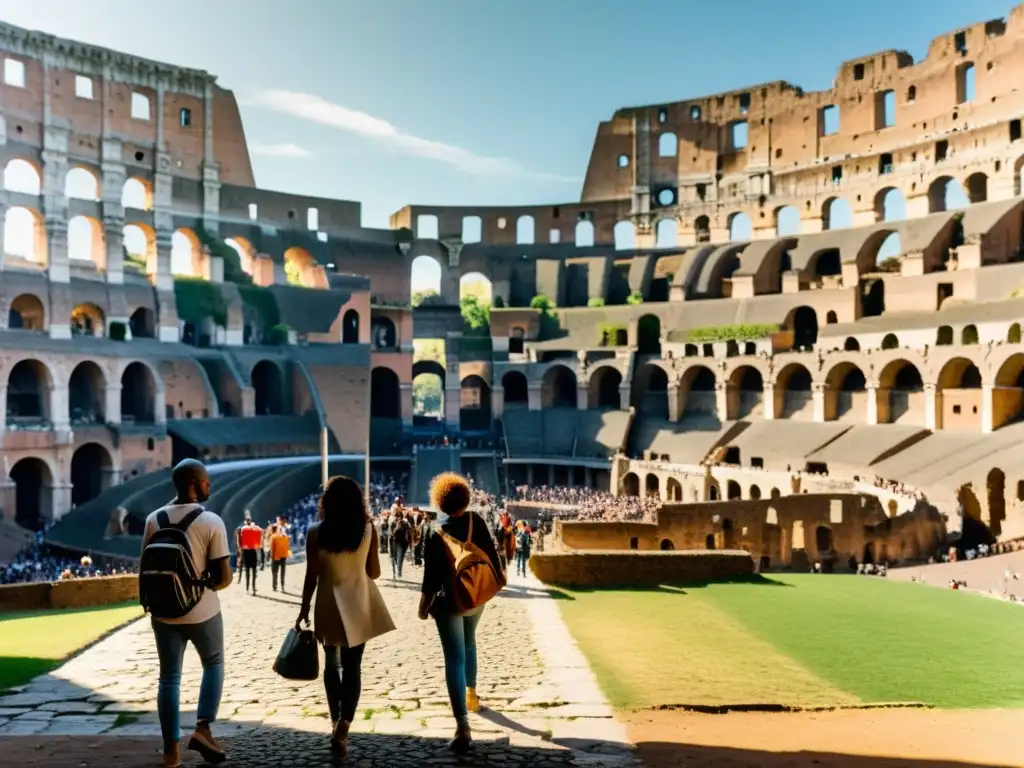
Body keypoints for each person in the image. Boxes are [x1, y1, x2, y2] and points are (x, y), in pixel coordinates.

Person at [142, 459, 232, 768]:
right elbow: (224, 578)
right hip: (202, 608)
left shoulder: (154, 518)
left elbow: (146, 564)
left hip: (163, 612)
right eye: (206, 481)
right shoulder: (211, 521)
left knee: (169, 678)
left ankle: (171, 753)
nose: (210, 486)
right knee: (213, 663)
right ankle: (203, 729)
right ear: (194, 483)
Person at [297, 476, 396, 757]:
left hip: (328, 602)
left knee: (331, 665)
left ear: (326, 502)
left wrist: (304, 608)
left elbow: (311, 575)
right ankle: (344, 727)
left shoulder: (315, 532)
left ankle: (334, 719)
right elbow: (374, 572)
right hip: (359, 602)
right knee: (354, 667)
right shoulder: (367, 529)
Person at [419, 472, 504, 754]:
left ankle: (463, 726)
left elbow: (430, 578)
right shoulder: (475, 521)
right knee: (470, 644)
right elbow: (493, 557)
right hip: (475, 596)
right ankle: (471, 695)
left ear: (439, 501)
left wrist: (422, 607)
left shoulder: (434, 531)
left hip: (447, 602)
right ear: (465, 499)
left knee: (454, 658)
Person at [238, 516, 263, 595]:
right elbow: (261, 532)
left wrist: (240, 552)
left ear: (245, 522)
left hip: (245, 553)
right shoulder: (255, 528)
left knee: (247, 572)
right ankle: (253, 588)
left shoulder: (242, 529)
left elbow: (240, 541)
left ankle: (247, 588)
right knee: (254, 571)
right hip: (253, 552)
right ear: (251, 521)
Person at [389, 510, 411, 579]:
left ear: (401, 517)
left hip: (402, 544)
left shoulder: (404, 523)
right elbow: (391, 534)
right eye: (396, 516)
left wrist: (409, 544)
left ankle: (399, 573)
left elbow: (409, 533)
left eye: (398, 516)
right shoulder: (392, 523)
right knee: (394, 558)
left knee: (400, 559)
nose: (397, 518)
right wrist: (396, 528)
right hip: (394, 543)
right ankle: (394, 573)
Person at [269, 524, 291, 592]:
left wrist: (271, 556)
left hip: (276, 557)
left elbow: (272, 548)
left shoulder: (273, 536)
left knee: (275, 572)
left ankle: (274, 587)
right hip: (283, 557)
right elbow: (287, 546)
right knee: (282, 572)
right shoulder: (285, 536)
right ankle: (282, 586)